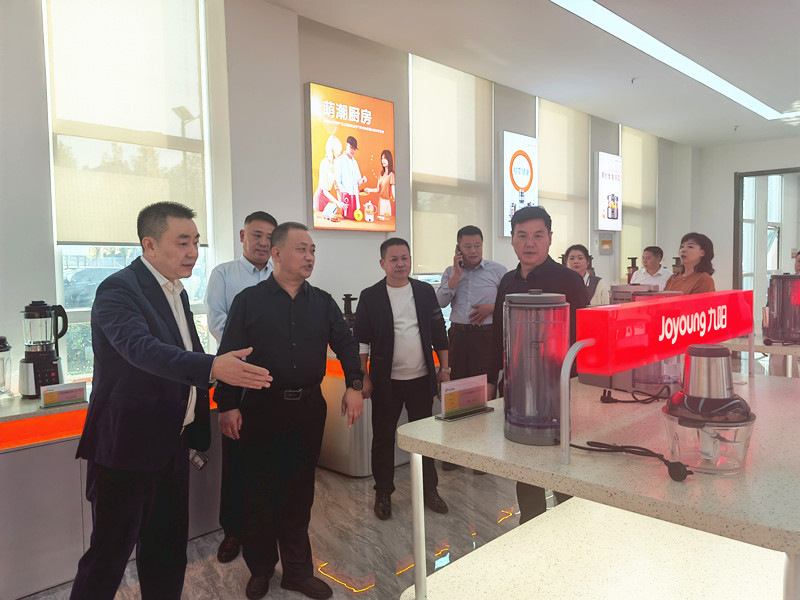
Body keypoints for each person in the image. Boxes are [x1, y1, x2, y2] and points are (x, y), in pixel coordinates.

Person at [70, 202, 272, 600]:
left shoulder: (176, 291)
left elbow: (184, 354)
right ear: (149, 244)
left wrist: (219, 375)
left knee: (166, 552)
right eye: (182, 242)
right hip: (127, 449)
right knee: (108, 557)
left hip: (172, 446)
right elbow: (141, 350)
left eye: (196, 242)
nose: (193, 252)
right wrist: (213, 367)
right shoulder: (118, 290)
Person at [214, 222, 364, 600]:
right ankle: (261, 570)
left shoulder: (322, 302)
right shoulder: (249, 300)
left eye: (312, 250)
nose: (309, 256)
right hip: (262, 407)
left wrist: (355, 384)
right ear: (277, 253)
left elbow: (346, 343)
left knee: (300, 492)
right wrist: (227, 405)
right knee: (260, 492)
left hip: (309, 409)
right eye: (301, 249)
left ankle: (297, 572)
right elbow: (229, 355)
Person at [487, 206, 588, 525]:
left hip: (561, 391)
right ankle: (531, 528)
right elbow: (498, 335)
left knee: (564, 471)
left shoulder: (569, 280)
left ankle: (571, 531)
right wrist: (491, 380)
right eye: (522, 236)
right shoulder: (507, 281)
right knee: (525, 466)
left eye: (538, 236)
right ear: (512, 240)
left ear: (550, 239)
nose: (529, 243)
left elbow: (583, 337)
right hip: (519, 391)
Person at [354, 238, 451, 520]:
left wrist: (445, 369)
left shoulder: (423, 291)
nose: (400, 264)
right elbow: (361, 340)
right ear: (383, 263)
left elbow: (439, 332)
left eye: (405, 258)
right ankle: (383, 492)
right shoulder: (371, 296)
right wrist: (364, 375)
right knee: (383, 438)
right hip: (386, 382)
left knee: (424, 438)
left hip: (421, 379)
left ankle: (429, 489)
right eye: (394, 259)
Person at [204, 210, 278, 564]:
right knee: (235, 458)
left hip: (275, 380)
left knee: (272, 457)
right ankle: (232, 531)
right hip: (237, 376)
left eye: (270, 237)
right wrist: (256, 350)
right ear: (242, 236)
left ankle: (268, 527)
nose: (263, 243)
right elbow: (218, 321)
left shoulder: (282, 273)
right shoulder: (224, 274)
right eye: (257, 235)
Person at [436, 225, 506, 471]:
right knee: (455, 393)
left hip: (487, 337)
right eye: (468, 246)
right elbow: (439, 302)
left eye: (477, 245)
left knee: (483, 394)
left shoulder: (498, 271)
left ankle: (481, 456)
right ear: (459, 248)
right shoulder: (450, 272)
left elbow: (509, 303)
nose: (473, 250)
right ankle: (454, 453)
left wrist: (491, 308)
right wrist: (456, 276)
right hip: (458, 336)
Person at [333, 135, 367, 220]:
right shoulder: (339, 161)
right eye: (351, 147)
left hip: (355, 200)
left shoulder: (355, 162)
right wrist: (343, 196)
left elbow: (357, 181)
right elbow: (336, 181)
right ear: (346, 145)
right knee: (347, 219)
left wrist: (362, 180)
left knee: (356, 220)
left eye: (354, 149)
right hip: (346, 200)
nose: (353, 151)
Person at [313, 135, 343, 215]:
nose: (340, 153)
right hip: (320, 197)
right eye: (338, 150)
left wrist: (342, 193)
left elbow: (336, 181)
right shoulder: (324, 164)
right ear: (333, 149)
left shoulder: (335, 162)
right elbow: (325, 191)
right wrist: (338, 203)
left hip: (327, 197)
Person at [366, 149, 395, 220]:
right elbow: (378, 189)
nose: (383, 160)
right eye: (382, 158)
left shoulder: (391, 175)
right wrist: (368, 189)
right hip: (380, 201)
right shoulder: (380, 174)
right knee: (380, 220)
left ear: (389, 160)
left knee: (386, 221)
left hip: (386, 202)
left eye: (385, 158)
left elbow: (393, 192)